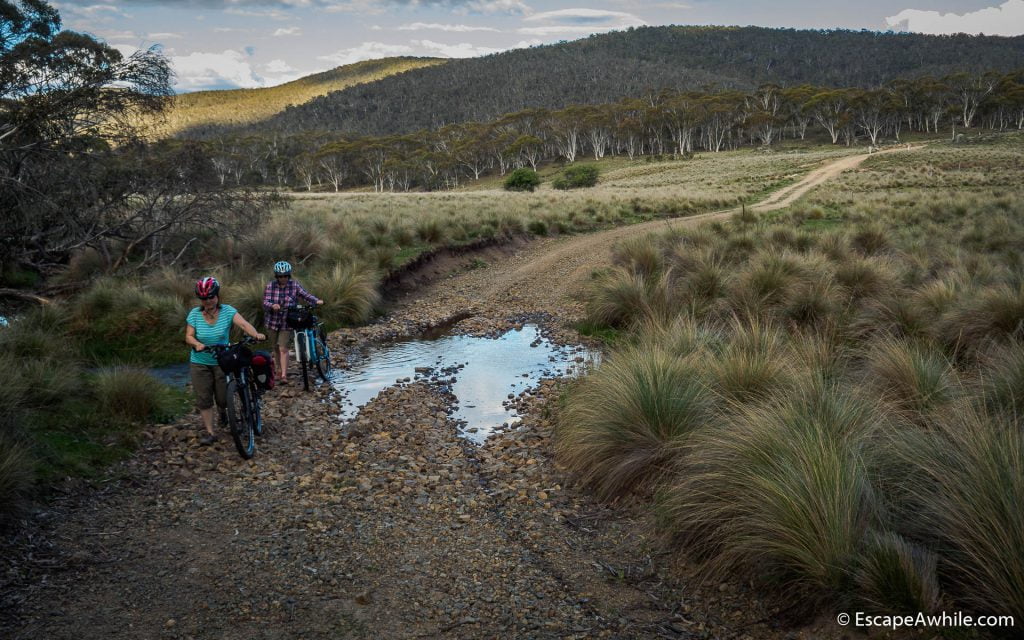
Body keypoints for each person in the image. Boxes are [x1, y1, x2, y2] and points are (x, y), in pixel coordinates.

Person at [185, 277, 265, 445]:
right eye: (204, 298)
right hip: (200, 361)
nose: (208, 301)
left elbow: (243, 324)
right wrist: (197, 344)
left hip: (222, 360)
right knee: (204, 398)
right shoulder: (194, 314)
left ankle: (223, 411)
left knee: (222, 398)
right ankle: (210, 432)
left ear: (217, 295)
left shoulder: (228, 311)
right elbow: (189, 336)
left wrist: (255, 334)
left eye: (211, 297)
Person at [262, 261, 323, 384]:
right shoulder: (270, 286)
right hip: (272, 322)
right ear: (276, 276)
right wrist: (272, 305)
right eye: (280, 276)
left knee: (283, 347)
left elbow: (305, 295)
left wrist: (316, 301)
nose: (283, 278)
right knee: (275, 348)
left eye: (285, 276)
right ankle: (278, 370)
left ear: (289, 275)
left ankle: (284, 375)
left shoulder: (294, 285)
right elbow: (265, 302)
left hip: (287, 322)